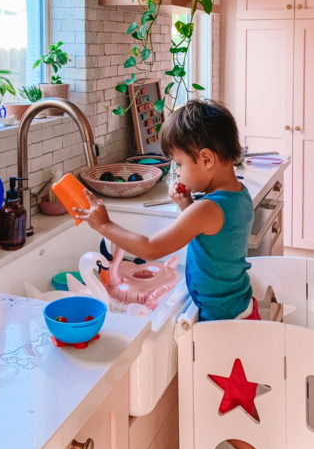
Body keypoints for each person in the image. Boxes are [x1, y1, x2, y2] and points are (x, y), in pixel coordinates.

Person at [74, 99, 259, 322]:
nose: (178, 172)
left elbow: (150, 250)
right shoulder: (239, 194)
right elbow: (215, 237)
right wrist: (186, 206)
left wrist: (105, 225)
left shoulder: (206, 208)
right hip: (239, 305)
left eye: (179, 164)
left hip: (222, 320)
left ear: (207, 159)